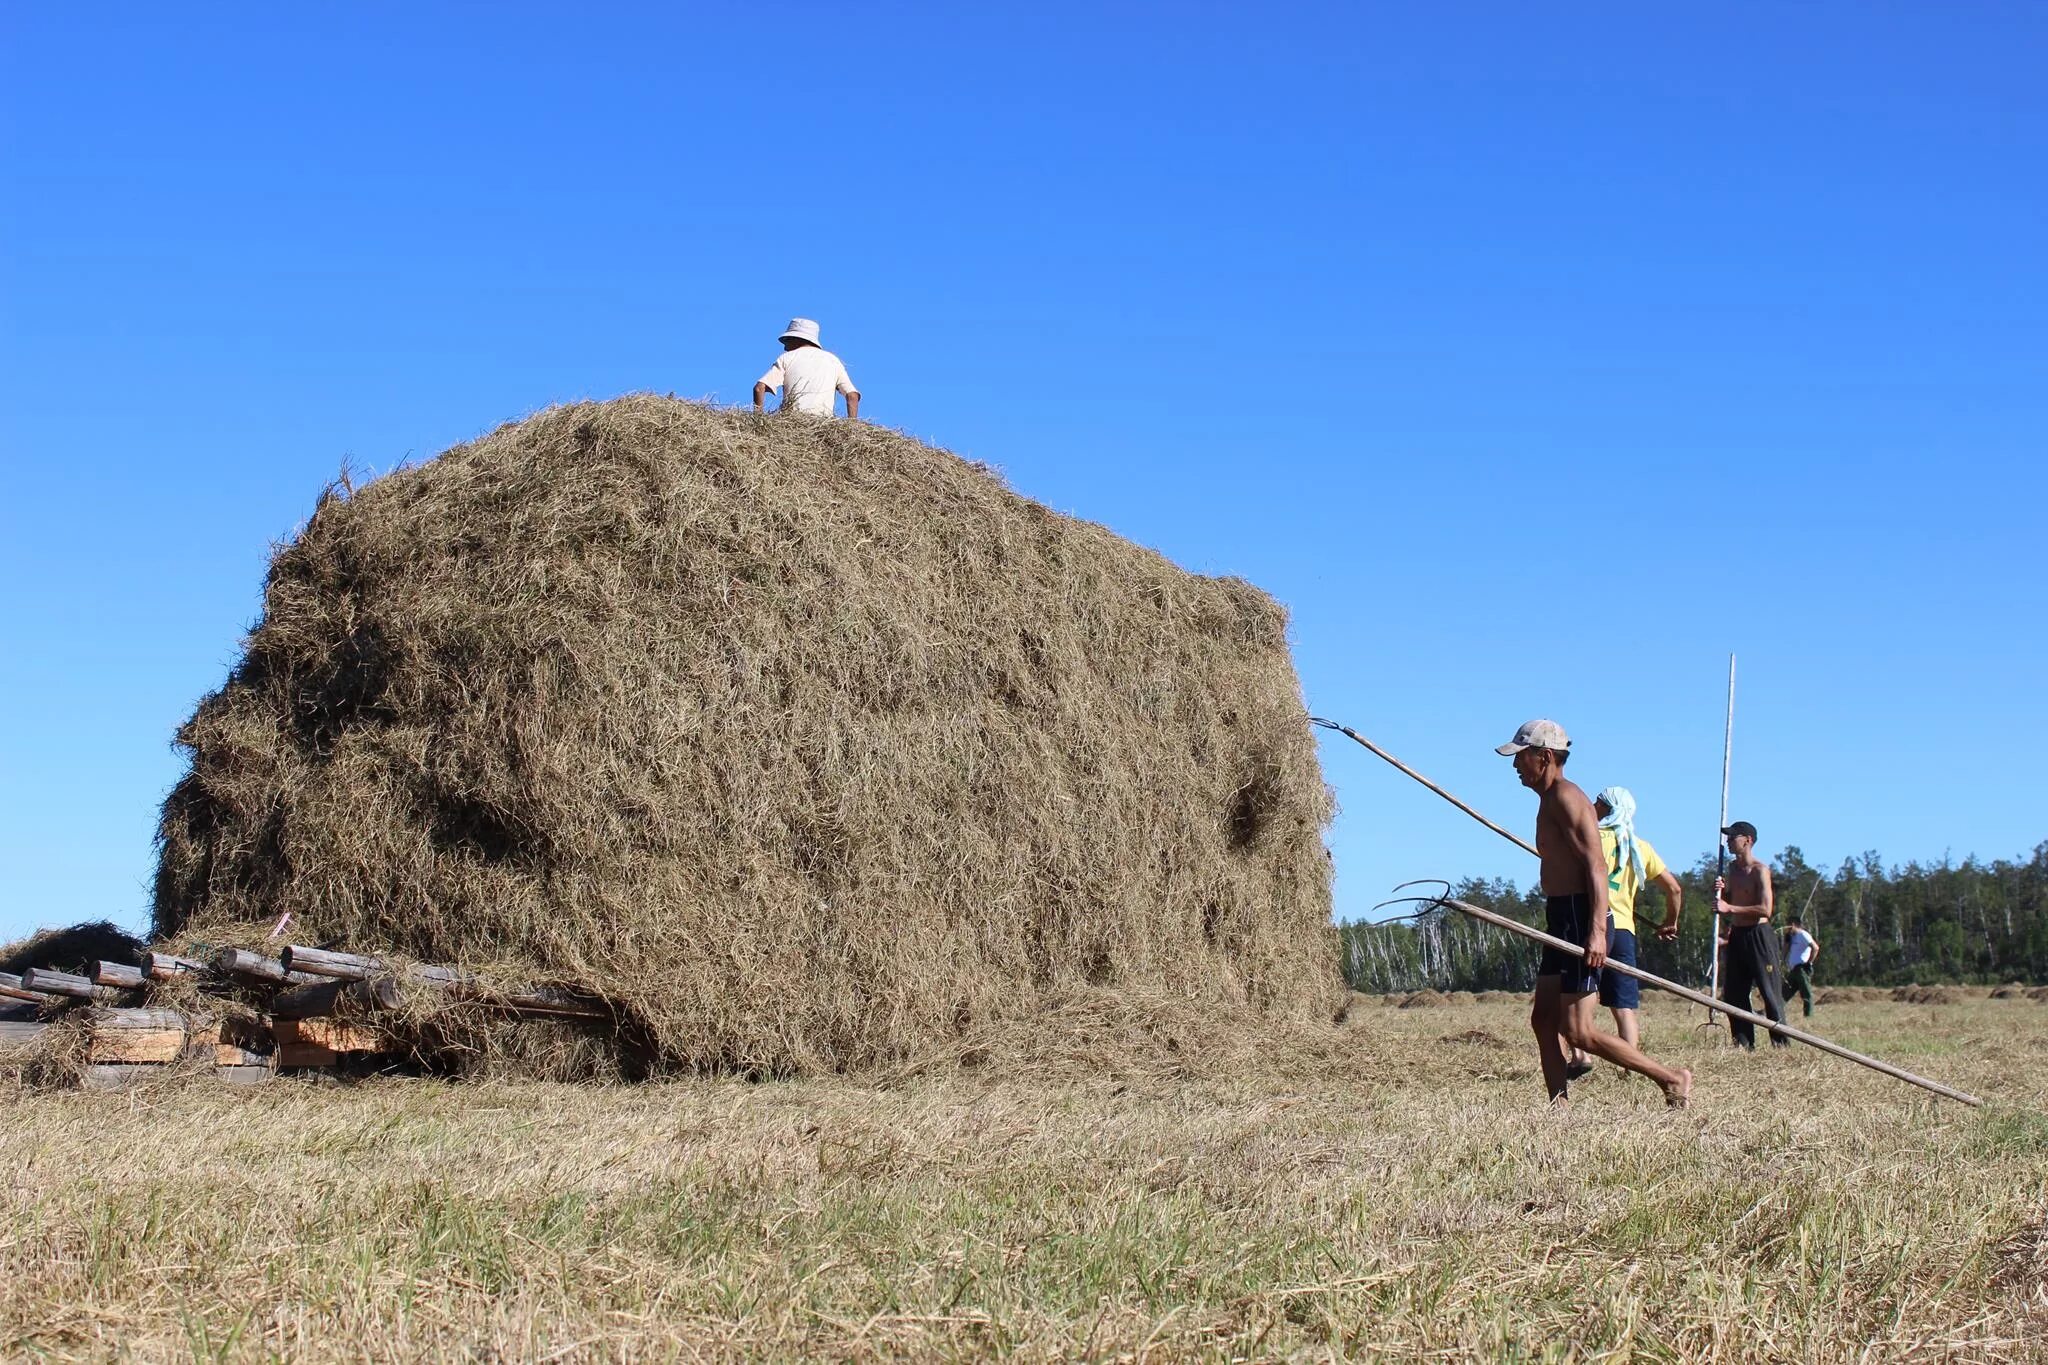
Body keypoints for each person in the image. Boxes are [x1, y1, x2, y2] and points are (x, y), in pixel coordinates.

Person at [1497, 719, 1692, 1108]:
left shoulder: (1568, 799)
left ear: (1545, 756)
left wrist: (1597, 932)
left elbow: (1596, 867)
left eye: (1522, 756)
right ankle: (1560, 1108)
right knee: (1543, 1021)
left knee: (1579, 1031)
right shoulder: (1549, 800)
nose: (1516, 765)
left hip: (1580, 915)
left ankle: (1670, 1079)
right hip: (1561, 913)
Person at [1562, 785, 1684, 1077]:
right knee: (1623, 1004)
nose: (1592, 805)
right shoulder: (1640, 847)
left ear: (1607, 809)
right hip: (1624, 929)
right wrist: (1671, 921)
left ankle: (1580, 1055)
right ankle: (1632, 1068)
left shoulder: (1592, 839)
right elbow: (1674, 888)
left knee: (1582, 993)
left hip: (1595, 924)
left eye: (1598, 802)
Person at [1716, 820, 1789, 1048]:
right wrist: (1720, 894)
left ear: (1747, 840)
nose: (1728, 841)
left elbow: (1765, 909)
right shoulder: (1731, 870)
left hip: (1759, 935)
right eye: (1727, 837)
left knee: (1769, 993)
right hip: (1738, 934)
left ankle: (1781, 1044)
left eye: (1733, 837)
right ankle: (1743, 1042)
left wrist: (1730, 909)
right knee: (1734, 993)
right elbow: (1729, 902)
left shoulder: (1760, 870)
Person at [752, 318, 861, 419]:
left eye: (787, 341)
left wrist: (758, 422)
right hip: (823, 426)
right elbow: (852, 396)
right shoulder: (833, 361)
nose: (785, 347)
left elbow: (759, 388)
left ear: (797, 339)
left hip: (792, 423)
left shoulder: (787, 358)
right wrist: (851, 430)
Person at [1783, 916, 1820, 1017]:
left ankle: (1808, 1015)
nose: (1787, 928)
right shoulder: (1792, 936)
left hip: (1801, 968)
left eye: (1788, 925)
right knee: (1785, 992)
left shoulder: (1803, 935)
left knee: (1806, 992)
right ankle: (1773, 1011)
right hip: (1793, 969)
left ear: (1794, 924)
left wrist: (1809, 962)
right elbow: (1786, 950)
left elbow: (1815, 948)